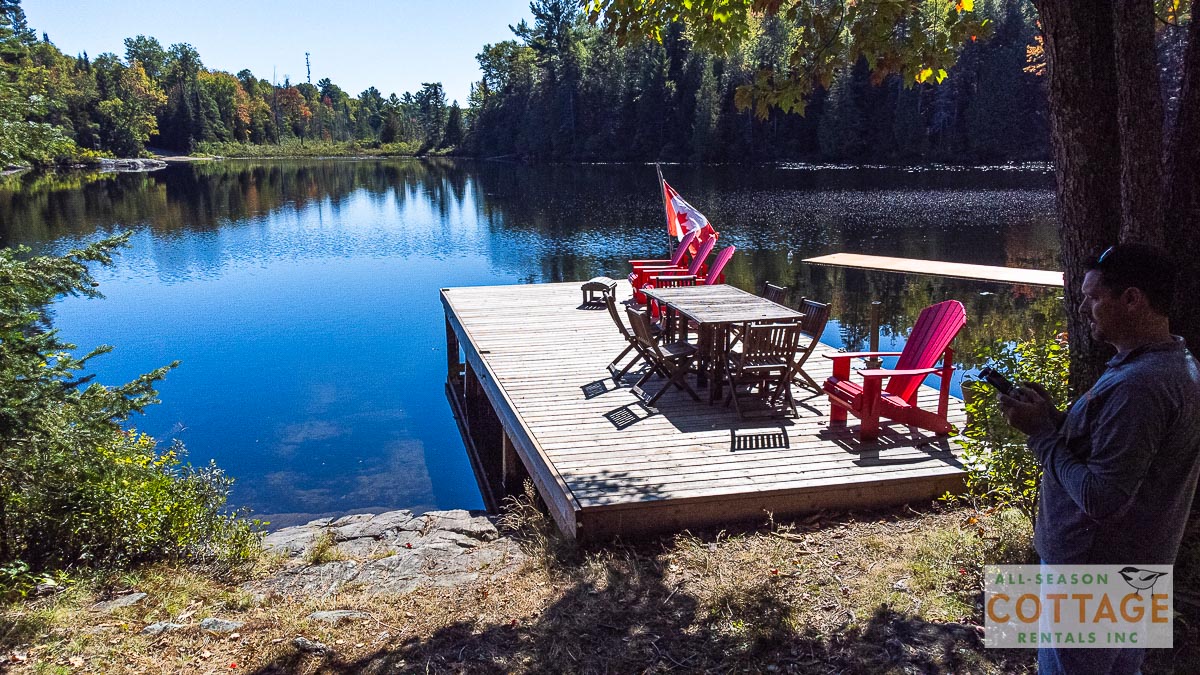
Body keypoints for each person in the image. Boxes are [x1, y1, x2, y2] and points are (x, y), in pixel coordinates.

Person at [997, 243, 1200, 674]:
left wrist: (1040, 436)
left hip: (1093, 575)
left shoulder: (1140, 386)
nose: (1085, 307)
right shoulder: (1164, 362)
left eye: (1093, 297)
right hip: (1133, 567)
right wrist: (1054, 419)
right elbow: (1111, 451)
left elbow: (1103, 497)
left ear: (1131, 298)